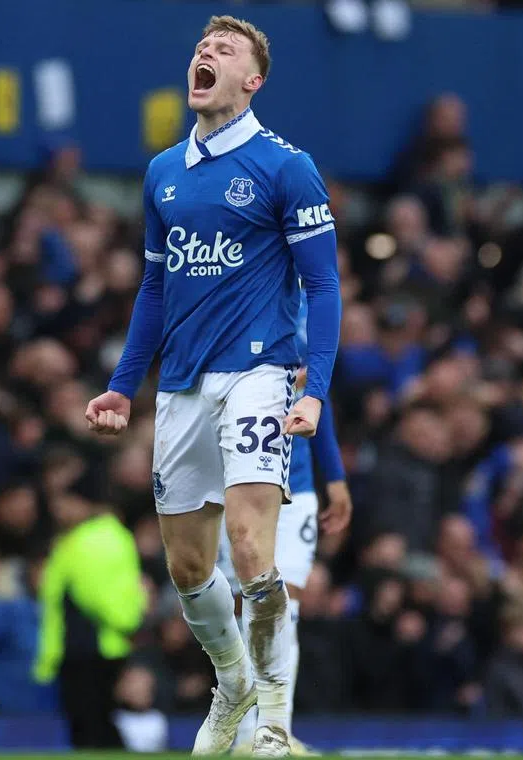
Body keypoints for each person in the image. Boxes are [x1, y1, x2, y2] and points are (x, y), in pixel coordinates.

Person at [85, 14, 340, 756]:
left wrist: (314, 390)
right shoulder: (163, 172)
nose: (206, 54)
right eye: (202, 47)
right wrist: (123, 385)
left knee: (249, 545)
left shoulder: (286, 167)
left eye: (224, 50)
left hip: (259, 373)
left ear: (252, 80)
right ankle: (232, 682)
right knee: (188, 567)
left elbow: (324, 287)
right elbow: (153, 290)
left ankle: (273, 723)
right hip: (182, 386)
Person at [222, 294, 353, 755]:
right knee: (245, 606)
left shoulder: (308, 316)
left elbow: (319, 401)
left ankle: (275, 731)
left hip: (296, 488)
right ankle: (241, 733)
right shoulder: (233, 307)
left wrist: (334, 478)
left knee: (286, 607)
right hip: (241, 485)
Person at [33, 466, 145, 749]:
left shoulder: (82, 540)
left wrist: (121, 620)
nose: (58, 509)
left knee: (90, 725)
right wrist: (128, 623)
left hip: (87, 646)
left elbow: (89, 595)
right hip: (108, 643)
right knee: (100, 719)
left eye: (65, 501)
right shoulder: (117, 534)